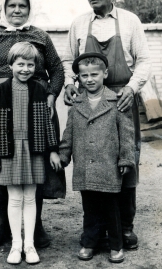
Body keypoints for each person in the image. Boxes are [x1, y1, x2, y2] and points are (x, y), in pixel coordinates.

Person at [0, 0, 64, 250]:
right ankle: (3, 226)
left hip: (36, 103)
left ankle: (36, 226)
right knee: (1, 160)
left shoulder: (40, 36)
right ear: (5, 8)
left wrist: (52, 95)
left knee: (36, 160)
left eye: (22, 5)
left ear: (29, 9)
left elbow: (57, 69)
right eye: (12, 5)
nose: (17, 10)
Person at [62, 0, 151, 253]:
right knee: (91, 159)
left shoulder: (130, 21)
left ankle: (124, 227)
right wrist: (70, 83)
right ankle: (96, 229)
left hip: (121, 98)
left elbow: (144, 61)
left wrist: (131, 89)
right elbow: (69, 59)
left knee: (125, 160)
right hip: (88, 100)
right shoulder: (79, 23)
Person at [51, 52, 136, 263]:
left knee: (111, 209)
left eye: (94, 75)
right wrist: (63, 157)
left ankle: (116, 246)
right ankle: (89, 242)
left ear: (105, 74)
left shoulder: (117, 102)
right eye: (84, 76)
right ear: (78, 78)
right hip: (85, 169)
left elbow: (127, 135)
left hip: (109, 167)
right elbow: (68, 135)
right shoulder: (77, 104)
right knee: (89, 209)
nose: (89, 79)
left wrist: (125, 159)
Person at [0, 41, 61, 265]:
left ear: (35, 66)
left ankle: (29, 245)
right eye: (20, 64)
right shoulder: (1, 90)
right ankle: (15, 245)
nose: (25, 69)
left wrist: (53, 150)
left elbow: (47, 124)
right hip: (10, 150)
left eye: (30, 65)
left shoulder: (40, 90)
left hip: (34, 150)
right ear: (10, 65)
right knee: (14, 198)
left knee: (31, 198)